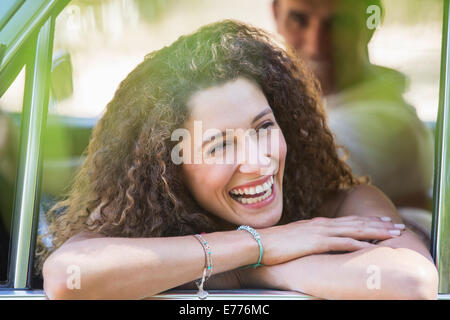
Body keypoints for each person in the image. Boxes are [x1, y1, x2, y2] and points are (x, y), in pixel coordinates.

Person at [38, 20, 437, 300]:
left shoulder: (345, 205)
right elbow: (67, 278)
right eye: (220, 146)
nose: (258, 161)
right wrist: (263, 245)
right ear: (170, 170)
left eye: (263, 127)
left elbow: (410, 283)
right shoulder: (140, 224)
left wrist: (249, 267)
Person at [272, 0, 434, 211]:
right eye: (299, 19)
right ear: (276, 13)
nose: (316, 46)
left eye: (338, 22)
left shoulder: (386, 128)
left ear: (370, 22)